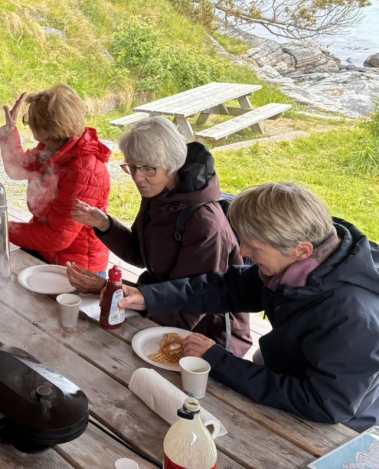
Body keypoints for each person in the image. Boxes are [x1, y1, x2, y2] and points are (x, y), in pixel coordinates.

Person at [119, 183, 379, 431]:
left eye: (254, 247)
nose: (243, 251)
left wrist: (218, 360)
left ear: (301, 250)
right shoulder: (305, 262)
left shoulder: (352, 317)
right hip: (285, 370)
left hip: (331, 422)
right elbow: (230, 287)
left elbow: (325, 404)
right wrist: (150, 297)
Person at [68, 116, 251, 355]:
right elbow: (140, 255)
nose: (137, 177)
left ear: (173, 164)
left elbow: (185, 312)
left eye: (147, 168)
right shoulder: (158, 193)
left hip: (207, 335)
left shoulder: (204, 223)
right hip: (159, 308)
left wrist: (110, 288)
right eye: (131, 167)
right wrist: (104, 224)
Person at [0, 84, 111, 273]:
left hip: (76, 266)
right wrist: (10, 131)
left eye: (28, 119)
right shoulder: (51, 148)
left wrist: (1, 227)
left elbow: (56, 238)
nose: (28, 123)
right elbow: (17, 170)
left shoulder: (83, 171)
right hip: (47, 251)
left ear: (43, 132)